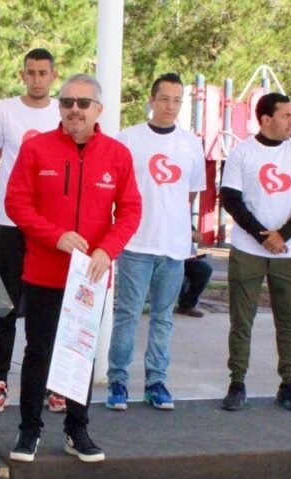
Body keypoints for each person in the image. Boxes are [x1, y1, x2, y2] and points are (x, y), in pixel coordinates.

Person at [5, 74, 142, 463]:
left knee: (80, 355)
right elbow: (17, 203)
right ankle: (28, 431)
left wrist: (107, 250)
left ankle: (76, 430)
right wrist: (55, 236)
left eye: (83, 103)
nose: (74, 110)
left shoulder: (117, 154)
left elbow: (130, 210)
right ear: (59, 108)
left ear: (98, 108)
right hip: (45, 272)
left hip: (91, 277)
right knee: (40, 352)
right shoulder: (37, 149)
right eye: (67, 103)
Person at [106, 73, 206, 411]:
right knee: (128, 314)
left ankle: (155, 381)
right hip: (136, 244)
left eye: (177, 100)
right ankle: (117, 381)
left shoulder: (191, 143)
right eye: (165, 99)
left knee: (163, 317)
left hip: (173, 247)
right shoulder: (128, 139)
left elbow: (190, 193)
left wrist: (182, 229)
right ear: (151, 100)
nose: (171, 106)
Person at [220, 92, 291, 413]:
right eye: (286, 115)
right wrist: (265, 237)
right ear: (265, 119)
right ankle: (237, 383)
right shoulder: (242, 153)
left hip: (289, 253)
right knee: (241, 321)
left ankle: (288, 385)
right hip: (248, 250)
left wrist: (284, 235)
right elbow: (232, 200)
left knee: (287, 320)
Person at [0, 48, 61, 414]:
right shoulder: (4, 110)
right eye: (31, 72)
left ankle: (52, 383)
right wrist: (16, 201)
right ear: (22, 75)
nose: (37, 79)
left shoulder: (63, 111)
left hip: (51, 228)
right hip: (12, 223)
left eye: (43, 73)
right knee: (6, 302)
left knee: (48, 306)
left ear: (53, 76)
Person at [175, 227, 213, 318]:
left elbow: (198, 238)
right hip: (171, 257)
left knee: (205, 270)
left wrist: (191, 233)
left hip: (188, 260)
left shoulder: (186, 220)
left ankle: (187, 305)